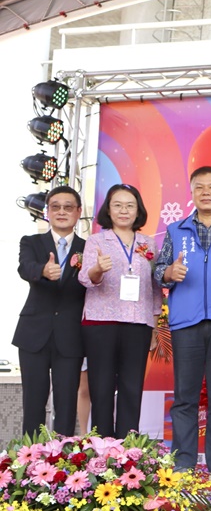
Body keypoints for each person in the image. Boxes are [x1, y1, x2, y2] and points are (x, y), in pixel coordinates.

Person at [153, 166, 211, 479]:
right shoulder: (175, 229)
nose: (206, 192)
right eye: (199, 187)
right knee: (185, 396)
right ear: (192, 192)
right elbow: (159, 271)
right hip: (186, 321)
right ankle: (183, 463)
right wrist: (169, 273)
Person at [78, 184, 160, 438]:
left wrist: (154, 325)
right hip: (101, 322)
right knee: (101, 387)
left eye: (129, 206)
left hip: (138, 323)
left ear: (138, 211)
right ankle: (102, 446)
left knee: (132, 388)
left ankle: (128, 447)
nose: (124, 210)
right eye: (117, 205)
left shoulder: (148, 243)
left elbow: (155, 287)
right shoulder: (96, 241)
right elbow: (85, 278)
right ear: (108, 210)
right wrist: (98, 269)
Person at [14, 186, 86, 436]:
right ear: (47, 212)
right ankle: (31, 455)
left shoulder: (88, 247)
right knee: (33, 402)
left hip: (71, 335)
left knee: (66, 404)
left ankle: (64, 456)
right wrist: (42, 271)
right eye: (55, 207)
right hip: (33, 333)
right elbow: (24, 267)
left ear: (78, 212)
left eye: (68, 207)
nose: (62, 212)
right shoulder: (31, 242)